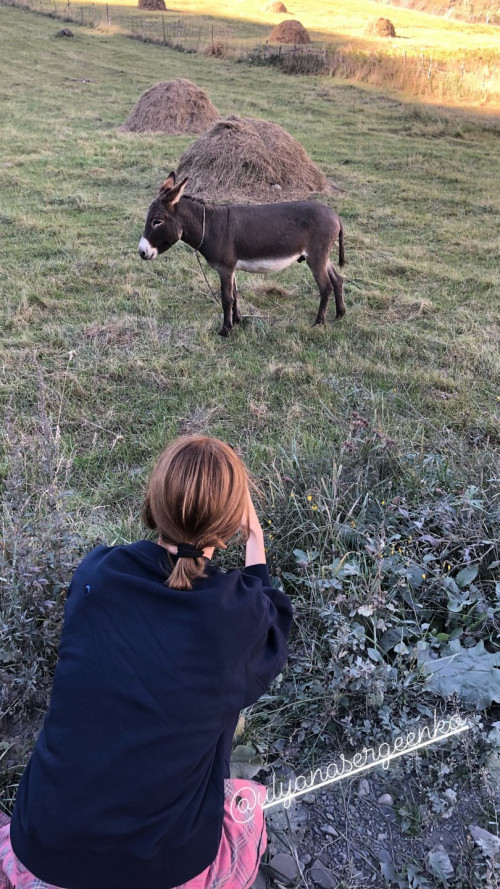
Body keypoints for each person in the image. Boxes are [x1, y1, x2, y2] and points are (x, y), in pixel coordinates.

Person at [1, 435, 293, 889]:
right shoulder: (240, 617)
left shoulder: (96, 574)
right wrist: (255, 539)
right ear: (231, 525)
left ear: (153, 503)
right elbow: (274, 619)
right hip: (163, 866)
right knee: (242, 807)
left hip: (42, 843)